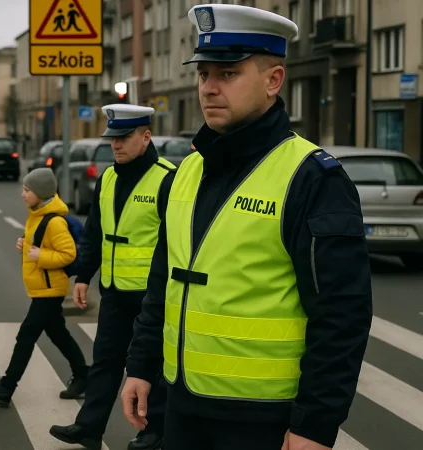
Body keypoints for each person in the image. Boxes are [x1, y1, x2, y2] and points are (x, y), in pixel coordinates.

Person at [120, 5, 373, 450]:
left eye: (228, 74)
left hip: (262, 418)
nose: (209, 88)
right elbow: (165, 279)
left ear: (273, 80)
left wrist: (314, 424)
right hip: (182, 405)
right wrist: (141, 364)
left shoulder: (313, 177)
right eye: (203, 75)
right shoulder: (188, 170)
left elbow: (341, 314)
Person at [49, 105, 175, 450]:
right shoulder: (107, 178)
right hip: (116, 292)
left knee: (152, 366)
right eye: (112, 139)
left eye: (123, 138)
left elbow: (177, 241)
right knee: (105, 360)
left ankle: (152, 431)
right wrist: (82, 277)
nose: (115, 145)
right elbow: (94, 233)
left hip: (153, 296)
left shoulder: (167, 178)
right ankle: (89, 427)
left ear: (145, 137)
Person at [0, 168, 90, 405]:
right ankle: (83, 374)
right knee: (57, 333)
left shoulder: (55, 221)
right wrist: (26, 244)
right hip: (43, 287)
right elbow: (41, 244)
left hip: (50, 289)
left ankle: (6, 388)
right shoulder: (37, 215)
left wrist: (41, 255)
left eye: (27, 190)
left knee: (26, 335)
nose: (22, 194)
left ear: (41, 193)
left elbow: (68, 254)